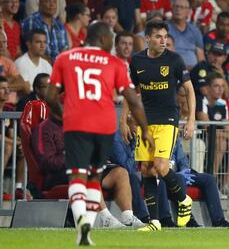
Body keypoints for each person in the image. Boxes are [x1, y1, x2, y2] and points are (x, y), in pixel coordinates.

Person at [46, 21, 154, 246]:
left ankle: (82, 227)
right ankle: (94, 222)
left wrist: (64, 115)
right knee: (95, 177)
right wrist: (145, 129)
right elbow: (133, 99)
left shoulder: (66, 58)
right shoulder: (114, 63)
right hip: (104, 125)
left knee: (77, 177)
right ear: (105, 39)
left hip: (76, 124)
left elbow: (50, 96)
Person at [120, 19, 196, 231]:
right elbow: (130, 92)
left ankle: (183, 200)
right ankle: (154, 222)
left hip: (168, 120)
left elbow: (190, 90)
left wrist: (191, 120)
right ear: (147, 39)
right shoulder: (137, 61)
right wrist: (124, 120)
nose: (163, 41)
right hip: (144, 121)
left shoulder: (175, 60)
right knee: (147, 169)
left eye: (165, 37)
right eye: (158, 37)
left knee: (161, 166)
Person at [31, 113, 145, 228]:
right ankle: (106, 218)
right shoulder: (44, 128)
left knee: (120, 172)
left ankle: (128, 217)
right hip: (58, 174)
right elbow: (47, 163)